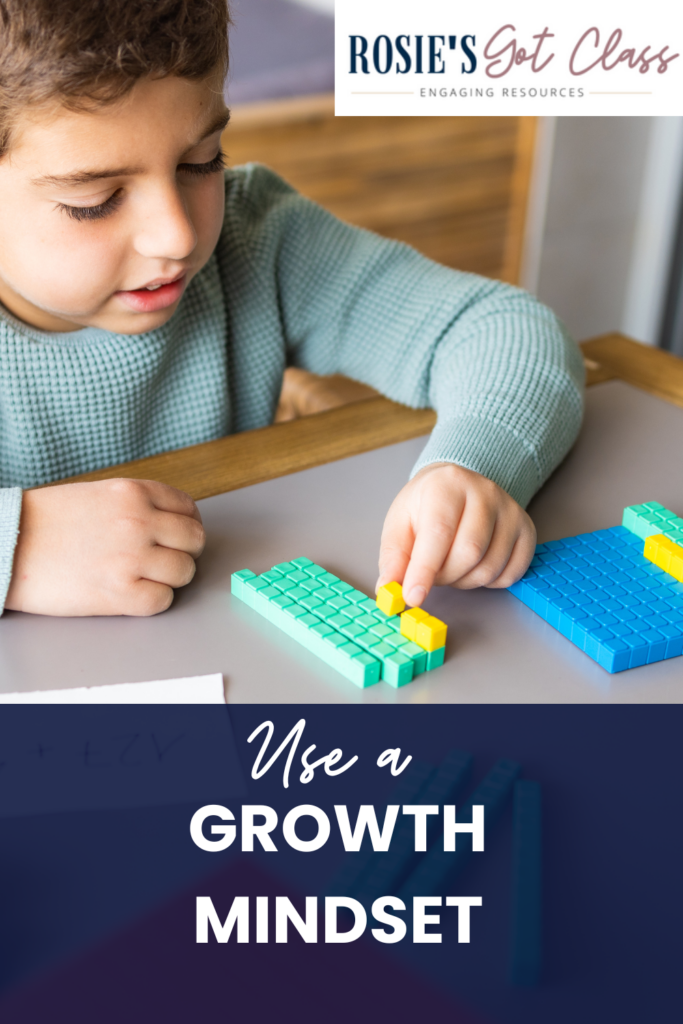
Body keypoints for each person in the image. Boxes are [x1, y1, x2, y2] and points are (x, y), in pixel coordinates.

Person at [0, 0, 584, 618]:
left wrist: (475, 467)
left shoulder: (257, 238)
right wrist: (19, 547)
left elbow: (503, 331)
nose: (177, 235)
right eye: (96, 200)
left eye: (202, 162)